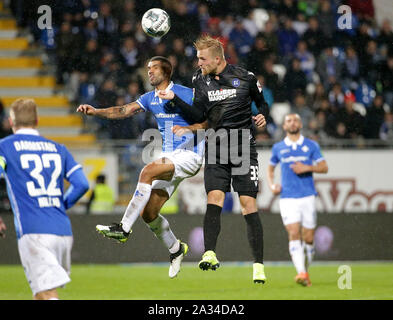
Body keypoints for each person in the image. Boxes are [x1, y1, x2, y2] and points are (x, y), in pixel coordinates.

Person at [77, 56, 204, 279]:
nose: (149, 72)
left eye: (153, 68)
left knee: (146, 171)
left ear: (166, 71)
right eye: (148, 69)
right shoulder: (149, 98)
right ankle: (176, 249)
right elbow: (123, 110)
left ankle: (124, 228)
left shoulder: (185, 92)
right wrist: (95, 111)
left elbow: (206, 118)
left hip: (190, 154)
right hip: (170, 157)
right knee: (149, 213)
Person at [159, 35, 269, 283]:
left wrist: (262, 115)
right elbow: (198, 113)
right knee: (214, 198)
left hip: (242, 147)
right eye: (198, 58)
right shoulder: (200, 80)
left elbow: (262, 104)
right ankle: (209, 253)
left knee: (248, 204)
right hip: (216, 146)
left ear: (218, 59)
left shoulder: (246, 78)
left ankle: (259, 265)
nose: (198, 63)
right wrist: (174, 100)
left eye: (202, 58)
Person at [0, 98, 89, 300]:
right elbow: (82, 184)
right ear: (37, 121)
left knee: (47, 294)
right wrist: (60, 205)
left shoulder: (4, 147)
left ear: (11, 122)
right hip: (63, 231)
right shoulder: (58, 148)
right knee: (40, 292)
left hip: (34, 232)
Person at [267, 113, 328, 287]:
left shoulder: (311, 145)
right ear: (284, 126)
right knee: (293, 233)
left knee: (308, 238)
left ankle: (305, 270)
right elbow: (270, 170)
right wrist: (272, 185)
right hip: (287, 198)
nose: (292, 123)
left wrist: (307, 167)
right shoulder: (278, 148)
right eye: (288, 121)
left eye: (295, 120)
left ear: (300, 124)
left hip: (308, 196)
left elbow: (324, 167)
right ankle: (301, 273)